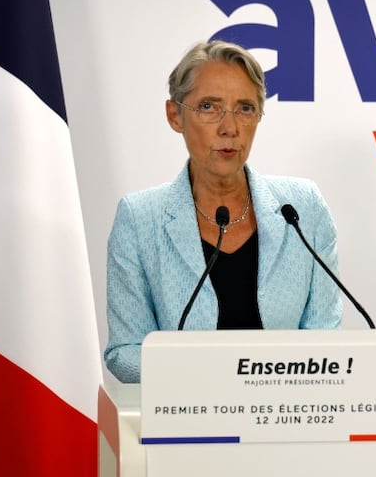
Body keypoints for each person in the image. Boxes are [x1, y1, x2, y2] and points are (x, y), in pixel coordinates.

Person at [103, 40, 344, 383]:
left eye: (245, 108)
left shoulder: (302, 208)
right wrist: (213, 383)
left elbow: (325, 336)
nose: (229, 127)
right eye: (208, 107)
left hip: (287, 423)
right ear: (175, 115)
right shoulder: (140, 219)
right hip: (186, 425)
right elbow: (125, 351)